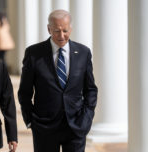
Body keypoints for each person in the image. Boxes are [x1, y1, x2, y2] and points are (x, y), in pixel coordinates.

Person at [18, 10, 98, 152]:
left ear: (71, 29)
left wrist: (87, 118)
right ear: (49, 29)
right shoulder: (33, 53)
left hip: (76, 126)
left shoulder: (83, 52)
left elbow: (90, 89)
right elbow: (24, 92)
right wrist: (30, 121)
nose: (61, 36)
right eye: (56, 31)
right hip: (44, 128)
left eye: (65, 31)